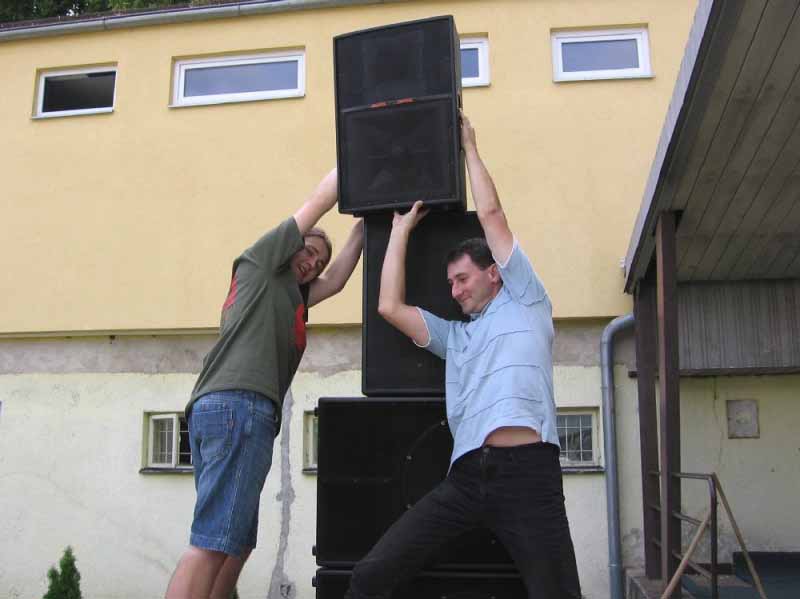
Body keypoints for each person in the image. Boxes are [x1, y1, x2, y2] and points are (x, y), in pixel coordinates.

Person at [345, 115, 582, 599]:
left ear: (494, 274)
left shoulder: (527, 300)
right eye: (450, 283)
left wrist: (470, 147)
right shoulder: (456, 337)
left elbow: (491, 215)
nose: (454, 291)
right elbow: (389, 306)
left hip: (530, 477)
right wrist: (399, 230)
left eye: (462, 279)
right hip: (467, 477)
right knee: (370, 575)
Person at [166, 168, 363, 599]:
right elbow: (318, 201)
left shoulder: (289, 294)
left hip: (235, 410)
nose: (313, 263)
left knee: (235, 542)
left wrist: (368, 222)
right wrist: (360, 161)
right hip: (238, 405)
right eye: (309, 251)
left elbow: (337, 280)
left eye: (318, 262)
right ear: (289, 245)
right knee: (213, 540)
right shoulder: (262, 263)